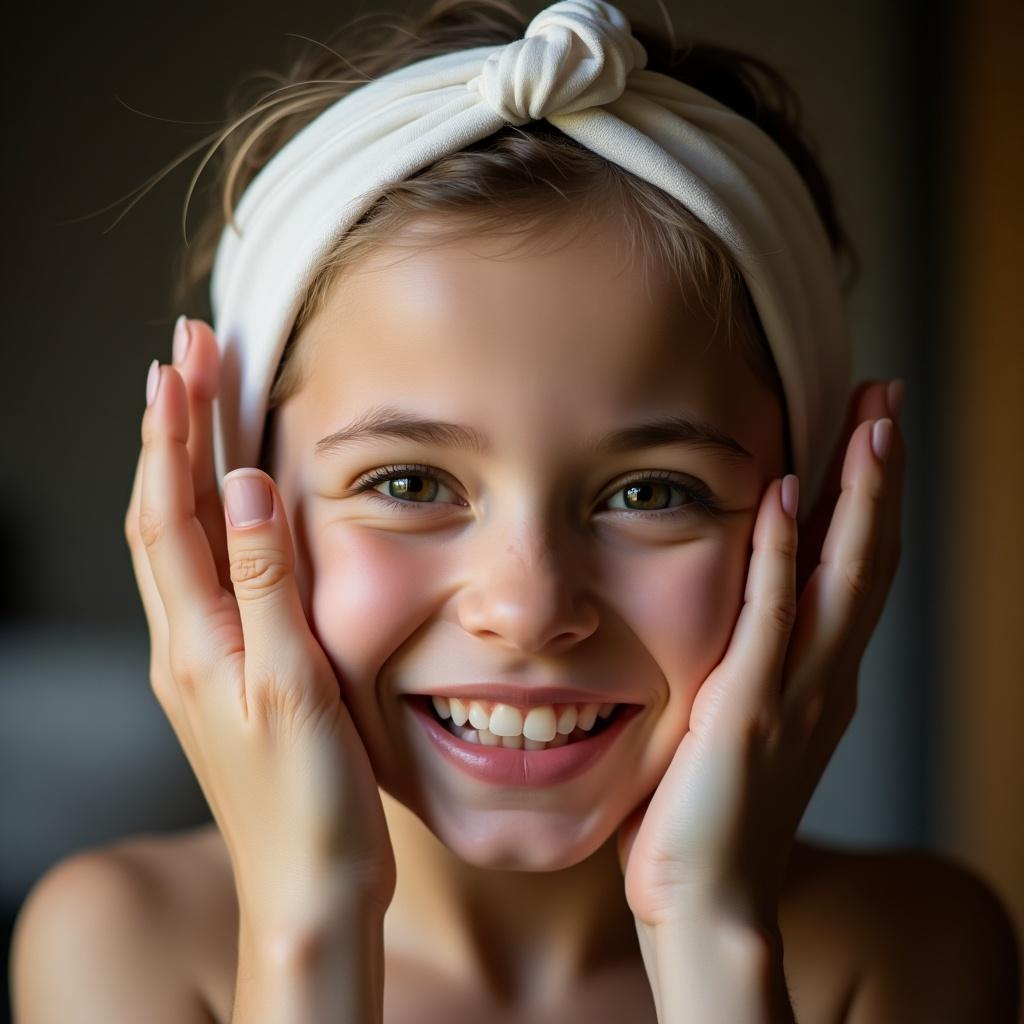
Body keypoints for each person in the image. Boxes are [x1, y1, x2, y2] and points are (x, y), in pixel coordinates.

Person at [11, 0, 1020, 1021]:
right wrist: (308, 924)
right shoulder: (120, 942)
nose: (530, 608)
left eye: (649, 493)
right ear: (229, 508)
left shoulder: (910, 947)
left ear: (812, 533)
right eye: (408, 484)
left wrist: (710, 931)